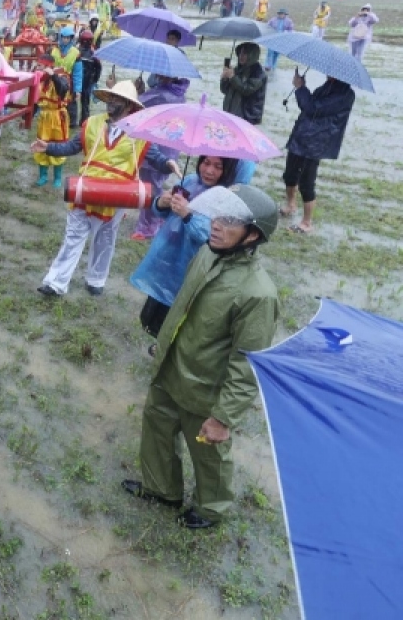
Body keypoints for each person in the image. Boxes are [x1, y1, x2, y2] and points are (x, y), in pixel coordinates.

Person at [123, 184, 279, 530]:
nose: (217, 224)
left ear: (252, 235)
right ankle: (162, 489)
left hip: (206, 389)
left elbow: (248, 365)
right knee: (157, 427)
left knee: (209, 453)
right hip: (171, 368)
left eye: (230, 222)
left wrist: (223, 418)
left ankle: (211, 509)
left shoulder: (257, 293)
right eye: (219, 215)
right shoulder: (207, 253)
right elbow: (180, 308)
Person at [33, 81, 179, 297]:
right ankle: (55, 283)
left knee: (105, 239)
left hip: (117, 197)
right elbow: (73, 146)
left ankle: (96, 279)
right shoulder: (92, 123)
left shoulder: (139, 133)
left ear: (129, 106)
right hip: (86, 190)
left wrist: (169, 164)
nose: (111, 102)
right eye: (111, 98)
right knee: (73, 236)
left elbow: (155, 157)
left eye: (117, 99)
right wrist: (49, 148)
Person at [130, 156, 253, 342]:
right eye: (206, 163)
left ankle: (165, 348)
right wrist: (161, 203)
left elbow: (212, 236)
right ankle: (157, 336)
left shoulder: (226, 198)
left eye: (218, 166)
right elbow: (162, 212)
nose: (209, 170)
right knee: (152, 310)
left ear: (227, 170)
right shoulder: (189, 181)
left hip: (190, 263)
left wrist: (188, 215)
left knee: (178, 311)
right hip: (167, 256)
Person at [281, 72, 356, 234]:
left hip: (317, 142)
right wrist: (302, 88)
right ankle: (291, 204)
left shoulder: (345, 94)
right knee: (290, 174)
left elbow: (312, 108)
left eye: (332, 70)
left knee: (307, 182)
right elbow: (309, 106)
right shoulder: (327, 86)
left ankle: (307, 222)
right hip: (302, 136)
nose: (328, 72)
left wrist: (301, 88)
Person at [32, 70, 73, 188]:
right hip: (44, 117)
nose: (39, 68)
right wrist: (29, 116)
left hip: (58, 117)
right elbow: (36, 101)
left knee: (58, 146)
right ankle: (43, 176)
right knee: (42, 144)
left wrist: (53, 76)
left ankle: (57, 177)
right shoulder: (40, 79)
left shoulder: (62, 76)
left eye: (41, 66)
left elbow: (62, 89)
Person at [220, 43, 267, 125]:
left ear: (252, 55)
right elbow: (225, 90)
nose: (241, 56)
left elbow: (246, 89)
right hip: (231, 114)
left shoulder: (258, 73)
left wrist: (232, 77)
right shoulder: (237, 69)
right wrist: (224, 79)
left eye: (245, 53)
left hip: (247, 117)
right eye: (240, 53)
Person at [75, 30, 102, 127]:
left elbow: (98, 68)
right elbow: (99, 68)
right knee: (84, 103)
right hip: (86, 81)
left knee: (81, 103)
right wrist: (95, 80)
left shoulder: (78, 50)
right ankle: (83, 123)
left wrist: (94, 80)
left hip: (84, 81)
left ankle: (80, 122)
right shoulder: (92, 52)